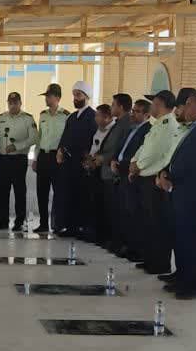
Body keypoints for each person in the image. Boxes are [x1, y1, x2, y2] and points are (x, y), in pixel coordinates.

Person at [157, 90, 196, 300]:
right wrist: (165, 172)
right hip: (180, 191)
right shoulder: (193, 128)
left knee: (190, 239)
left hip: (191, 194)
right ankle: (181, 275)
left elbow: (193, 164)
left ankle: (193, 285)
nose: (185, 108)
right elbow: (178, 157)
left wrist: (170, 176)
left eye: (190, 104)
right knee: (179, 237)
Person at [131, 89, 187, 275]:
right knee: (148, 222)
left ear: (161, 104)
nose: (151, 107)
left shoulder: (168, 125)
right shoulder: (157, 124)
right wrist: (134, 162)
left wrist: (138, 165)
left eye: (154, 103)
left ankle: (160, 263)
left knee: (158, 224)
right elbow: (144, 147)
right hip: (145, 176)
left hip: (154, 179)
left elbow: (155, 152)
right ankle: (150, 259)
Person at [113, 99, 152, 260]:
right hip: (121, 172)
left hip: (133, 175)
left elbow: (138, 154)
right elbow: (122, 148)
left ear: (147, 114)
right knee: (124, 211)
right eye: (133, 110)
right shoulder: (132, 128)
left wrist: (124, 165)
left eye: (137, 111)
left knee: (133, 213)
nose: (133, 114)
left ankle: (135, 249)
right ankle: (125, 244)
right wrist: (115, 160)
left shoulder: (148, 130)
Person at [57, 81, 98, 238]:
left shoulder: (92, 116)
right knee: (69, 195)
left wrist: (87, 158)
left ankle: (82, 227)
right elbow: (65, 137)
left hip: (82, 164)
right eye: (74, 95)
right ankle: (70, 226)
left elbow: (92, 140)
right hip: (69, 164)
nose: (75, 98)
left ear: (86, 96)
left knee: (82, 196)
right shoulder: (72, 117)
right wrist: (60, 150)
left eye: (78, 95)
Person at [0, 92, 38, 232]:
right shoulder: (1, 118)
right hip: (2, 159)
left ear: (20, 103)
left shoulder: (27, 119)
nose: (12, 106)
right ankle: (3, 221)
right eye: (10, 103)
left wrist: (17, 146)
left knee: (19, 191)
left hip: (18, 159)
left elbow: (34, 138)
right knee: (2, 192)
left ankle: (19, 222)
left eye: (15, 103)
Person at [90, 95, 131, 246]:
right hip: (106, 170)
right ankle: (108, 238)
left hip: (113, 171)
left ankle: (115, 240)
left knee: (114, 209)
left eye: (113, 105)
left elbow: (117, 147)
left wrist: (103, 158)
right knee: (107, 208)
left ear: (121, 107)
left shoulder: (126, 124)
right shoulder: (119, 123)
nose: (111, 107)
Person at [33, 83, 70, 233]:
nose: (46, 99)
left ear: (57, 97)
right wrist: (35, 158)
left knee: (59, 192)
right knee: (41, 192)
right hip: (43, 156)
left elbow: (67, 139)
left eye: (49, 96)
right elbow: (39, 138)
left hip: (57, 158)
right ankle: (43, 224)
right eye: (46, 96)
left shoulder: (66, 116)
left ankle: (58, 224)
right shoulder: (42, 115)